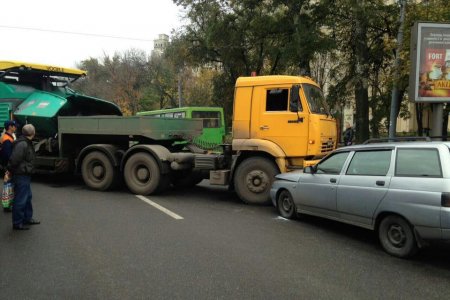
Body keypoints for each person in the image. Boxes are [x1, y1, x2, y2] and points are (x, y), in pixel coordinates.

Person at [7, 124, 40, 230]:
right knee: (20, 199)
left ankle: (27, 218)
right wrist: (10, 172)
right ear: (32, 133)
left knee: (28, 197)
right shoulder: (23, 144)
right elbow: (14, 160)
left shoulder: (26, 142)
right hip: (21, 175)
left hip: (25, 174)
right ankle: (17, 223)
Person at [1, 120, 17, 212]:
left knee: (9, 185)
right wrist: (8, 168)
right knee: (9, 185)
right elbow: (7, 155)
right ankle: (7, 205)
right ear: (10, 127)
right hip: (8, 166)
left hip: (7, 165)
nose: (15, 127)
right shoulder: (7, 139)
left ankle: (8, 204)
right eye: (14, 126)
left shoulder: (8, 137)